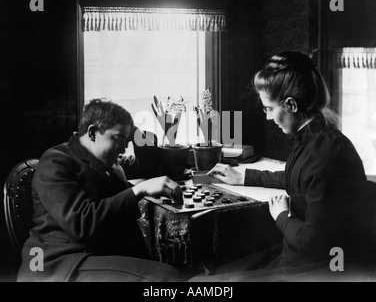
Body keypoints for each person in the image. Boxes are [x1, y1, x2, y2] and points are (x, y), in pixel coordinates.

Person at [190, 52, 374, 281]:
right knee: (215, 271)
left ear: (290, 104)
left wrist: (281, 216)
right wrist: (244, 177)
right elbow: (295, 177)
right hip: (301, 256)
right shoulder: (314, 139)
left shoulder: (328, 153)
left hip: (319, 269)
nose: (267, 117)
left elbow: (311, 244)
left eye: (268, 108)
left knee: (201, 281)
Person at [17, 98, 185, 282]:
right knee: (166, 278)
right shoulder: (56, 161)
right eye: (118, 139)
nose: (123, 149)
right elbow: (81, 223)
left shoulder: (109, 162)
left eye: (126, 141)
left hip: (95, 254)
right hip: (56, 262)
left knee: (175, 265)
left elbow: (151, 168)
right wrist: (138, 190)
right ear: (92, 132)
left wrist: (134, 132)